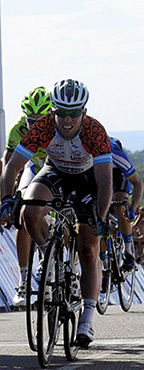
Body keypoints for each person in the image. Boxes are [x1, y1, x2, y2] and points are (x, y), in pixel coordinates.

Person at [0, 79, 112, 348]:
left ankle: (86, 317)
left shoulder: (94, 131)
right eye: (61, 112)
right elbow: (12, 167)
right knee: (29, 211)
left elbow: (105, 181)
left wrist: (102, 215)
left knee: (88, 248)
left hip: (87, 179)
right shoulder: (43, 127)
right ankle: (48, 256)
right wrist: (5, 200)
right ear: (53, 112)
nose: (67, 119)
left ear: (83, 113)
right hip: (55, 172)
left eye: (74, 113)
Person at [0, 86, 53, 306]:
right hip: (33, 166)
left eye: (39, 119)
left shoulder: (59, 128)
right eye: (30, 119)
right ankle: (23, 282)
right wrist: (6, 199)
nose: (34, 125)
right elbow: (8, 166)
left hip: (54, 166)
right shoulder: (18, 129)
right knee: (23, 213)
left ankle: (66, 265)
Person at [110, 137, 144, 270]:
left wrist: (133, 209)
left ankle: (128, 251)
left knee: (120, 208)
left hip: (119, 174)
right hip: (97, 175)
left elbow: (138, 183)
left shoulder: (115, 153)